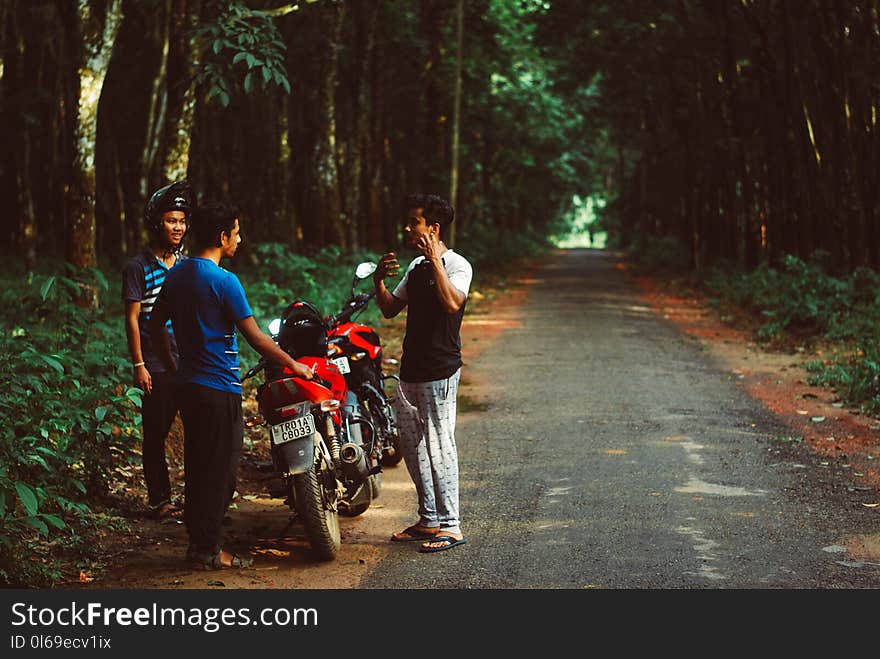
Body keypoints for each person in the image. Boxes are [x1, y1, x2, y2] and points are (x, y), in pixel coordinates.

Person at [148, 201, 314, 570]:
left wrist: (175, 366)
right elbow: (255, 336)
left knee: (197, 467)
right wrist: (293, 365)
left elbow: (155, 324)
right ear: (222, 237)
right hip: (219, 388)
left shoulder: (176, 274)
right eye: (237, 233)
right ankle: (208, 551)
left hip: (188, 386)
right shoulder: (224, 281)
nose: (240, 239)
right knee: (221, 473)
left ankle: (199, 544)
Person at [374, 193, 473, 553]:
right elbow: (389, 310)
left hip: (440, 370)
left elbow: (451, 303)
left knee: (440, 444)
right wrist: (379, 281)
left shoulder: (458, 265)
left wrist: (435, 262)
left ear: (433, 228)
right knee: (413, 447)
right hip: (409, 371)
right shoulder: (415, 268)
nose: (406, 227)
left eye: (414, 221)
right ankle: (429, 519)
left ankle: (452, 525)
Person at [122, 181, 192, 520]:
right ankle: (159, 500)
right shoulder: (138, 267)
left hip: (188, 361)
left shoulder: (187, 263)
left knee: (198, 431)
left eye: (180, 220)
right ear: (156, 223)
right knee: (156, 434)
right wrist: (139, 364)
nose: (177, 227)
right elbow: (133, 320)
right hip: (155, 364)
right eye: (170, 221)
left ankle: (197, 499)